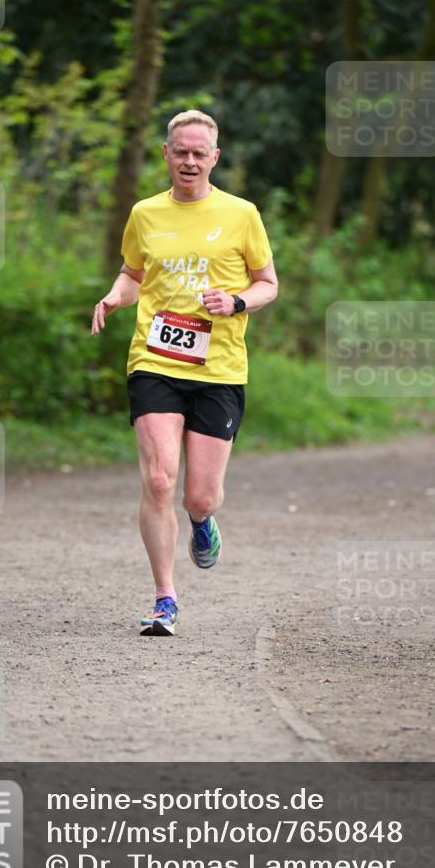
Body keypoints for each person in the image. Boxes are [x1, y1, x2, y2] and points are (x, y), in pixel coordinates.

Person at [91, 109, 278, 635]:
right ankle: (164, 599)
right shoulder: (145, 213)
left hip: (218, 368)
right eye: (181, 151)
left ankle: (201, 521)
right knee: (157, 479)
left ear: (214, 158)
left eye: (200, 153)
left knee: (199, 494)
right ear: (166, 154)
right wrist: (114, 296)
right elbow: (133, 273)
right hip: (154, 360)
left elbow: (269, 283)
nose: (190, 161)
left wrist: (238, 301)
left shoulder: (242, 214)